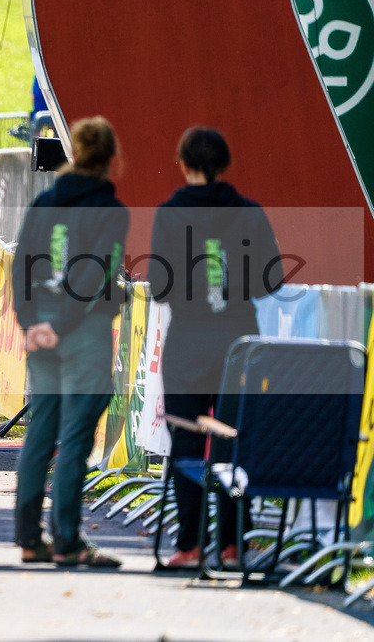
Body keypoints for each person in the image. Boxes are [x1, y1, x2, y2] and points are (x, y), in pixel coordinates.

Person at [147, 127, 284, 569]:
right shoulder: (249, 213)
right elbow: (273, 278)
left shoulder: (169, 214)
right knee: (234, 444)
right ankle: (231, 544)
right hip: (237, 344)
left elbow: (161, 288)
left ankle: (188, 545)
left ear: (184, 164)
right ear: (225, 165)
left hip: (187, 345)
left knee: (186, 442)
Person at [11, 116, 128, 568]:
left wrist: (32, 322)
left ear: (73, 154)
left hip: (41, 323)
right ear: (112, 160)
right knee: (76, 437)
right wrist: (60, 324)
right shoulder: (111, 211)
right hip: (84, 330)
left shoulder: (44, 203)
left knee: (40, 431)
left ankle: (27, 537)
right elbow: (95, 272)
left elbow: (21, 263)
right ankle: (67, 539)